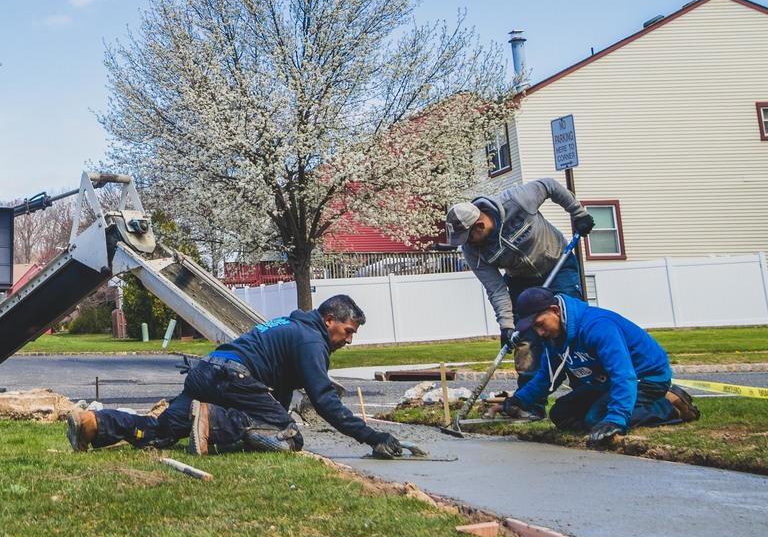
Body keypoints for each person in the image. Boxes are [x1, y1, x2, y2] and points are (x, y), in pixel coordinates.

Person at [63, 295, 409, 458]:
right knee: (287, 434)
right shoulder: (311, 340)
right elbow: (324, 401)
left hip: (207, 370)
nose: (348, 340)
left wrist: (275, 410)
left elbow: (280, 393)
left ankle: (93, 423)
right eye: (347, 331)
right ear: (330, 318)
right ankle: (211, 421)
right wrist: (372, 436)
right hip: (232, 377)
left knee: (161, 431)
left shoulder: (292, 327)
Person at [500, 287, 699, 445]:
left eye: (540, 324)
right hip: (605, 382)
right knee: (561, 414)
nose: (539, 332)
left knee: (597, 419)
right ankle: (600, 418)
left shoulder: (598, 326)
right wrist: (520, 400)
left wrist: (616, 419)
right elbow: (548, 376)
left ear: (555, 311)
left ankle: (670, 406)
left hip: (645, 378)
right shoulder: (554, 337)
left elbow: (623, 374)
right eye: (534, 328)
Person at [446, 178, 594, 384]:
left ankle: (587, 383)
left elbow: (549, 185)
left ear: (479, 226)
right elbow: (496, 289)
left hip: (557, 262)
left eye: (468, 237)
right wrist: (506, 324)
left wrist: (578, 213)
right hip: (521, 279)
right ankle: (528, 399)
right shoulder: (472, 251)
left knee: (571, 322)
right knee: (524, 334)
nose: (467, 244)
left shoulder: (517, 200)